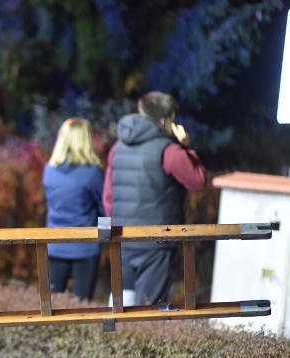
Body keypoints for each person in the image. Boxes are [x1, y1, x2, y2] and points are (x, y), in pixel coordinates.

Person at [103, 91, 206, 306]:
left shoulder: (117, 148)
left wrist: (119, 224)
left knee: (121, 306)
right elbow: (198, 181)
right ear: (165, 119)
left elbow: (108, 196)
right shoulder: (169, 150)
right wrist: (186, 146)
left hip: (122, 236)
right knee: (149, 311)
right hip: (156, 241)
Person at [43, 118, 104, 301]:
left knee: (52, 307)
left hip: (54, 244)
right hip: (85, 247)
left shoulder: (49, 170)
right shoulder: (92, 172)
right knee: (83, 307)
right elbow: (105, 208)